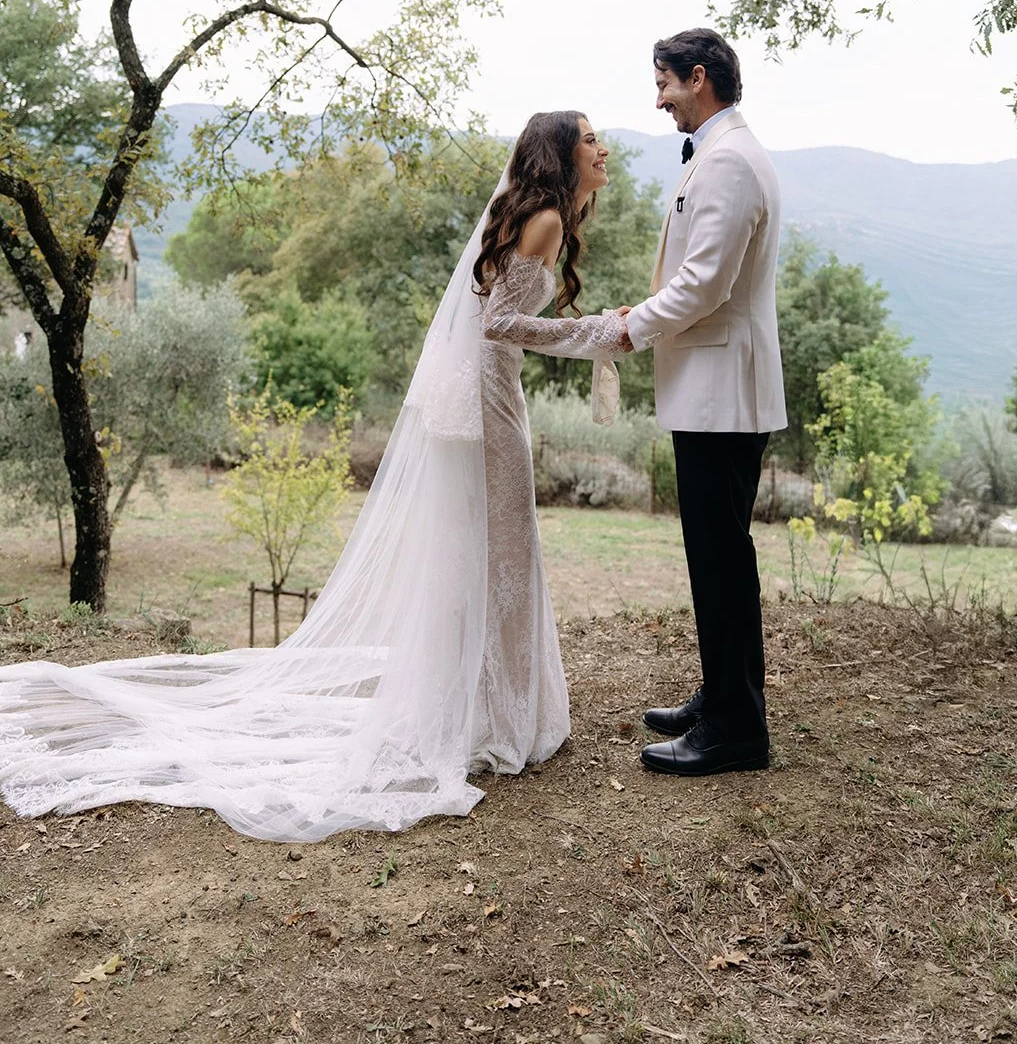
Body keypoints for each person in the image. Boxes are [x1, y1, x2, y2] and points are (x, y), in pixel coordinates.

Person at [0, 113, 629, 841]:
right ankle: (496, 717)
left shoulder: (525, 211)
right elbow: (500, 327)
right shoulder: (545, 217)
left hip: (479, 402)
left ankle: (479, 705)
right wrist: (600, 334)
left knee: (480, 559)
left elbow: (493, 317)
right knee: (505, 557)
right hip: (490, 409)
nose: (601, 147)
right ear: (560, 154)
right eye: (588, 138)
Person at [619, 29, 787, 777]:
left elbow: (703, 285)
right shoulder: (727, 154)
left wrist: (631, 327)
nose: (658, 101)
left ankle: (734, 729)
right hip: (715, 391)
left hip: (722, 394)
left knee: (719, 560)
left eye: (663, 84)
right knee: (717, 557)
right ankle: (723, 696)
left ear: (698, 77)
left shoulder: (726, 161)